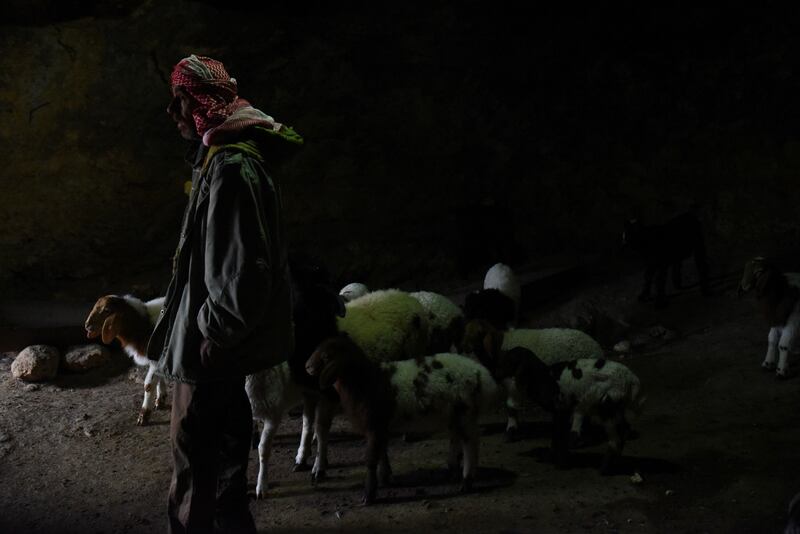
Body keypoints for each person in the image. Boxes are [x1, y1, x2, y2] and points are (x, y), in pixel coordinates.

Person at [147, 54, 301, 534]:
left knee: (197, 455)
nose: (173, 114)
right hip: (217, 345)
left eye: (181, 102)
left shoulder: (232, 168)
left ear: (203, 104)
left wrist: (217, 332)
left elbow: (242, 266)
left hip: (208, 348)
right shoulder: (224, 156)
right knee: (228, 445)